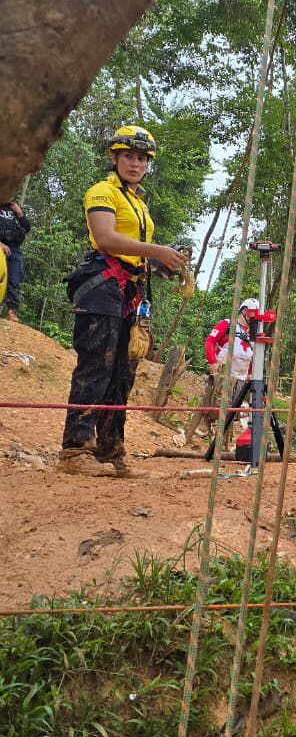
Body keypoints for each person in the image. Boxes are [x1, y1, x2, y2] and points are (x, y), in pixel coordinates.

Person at [58, 125, 185, 477]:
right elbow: (105, 237)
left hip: (130, 290)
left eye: (141, 158)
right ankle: (74, 450)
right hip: (101, 286)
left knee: (122, 373)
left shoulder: (138, 202)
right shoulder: (102, 191)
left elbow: (135, 251)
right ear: (115, 158)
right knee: (97, 365)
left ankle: (110, 451)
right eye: (128, 156)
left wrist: (161, 262)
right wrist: (155, 249)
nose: (134, 163)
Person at [204, 301, 257, 446]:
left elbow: (254, 356)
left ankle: (225, 444)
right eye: (252, 314)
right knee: (222, 409)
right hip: (225, 374)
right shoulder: (226, 325)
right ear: (245, 311)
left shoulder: (253, 333)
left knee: (233, 411)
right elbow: (210, 341)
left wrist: (251, 373)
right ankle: (217, 444)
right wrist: (212, 361)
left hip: (241, 378)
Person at [0, 199, 31, 322]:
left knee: (15, 278)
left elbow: (27, 227)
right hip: (0, 246)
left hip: (14, 248)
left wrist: (20, 213)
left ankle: (11, 311)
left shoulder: (13, 206)